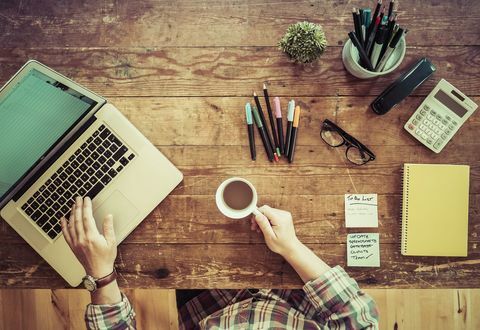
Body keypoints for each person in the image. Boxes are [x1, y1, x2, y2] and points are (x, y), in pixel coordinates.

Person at [61, 197, 379, 329]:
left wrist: (100, 274)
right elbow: (358, 319)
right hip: (295, 294)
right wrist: (292, 248)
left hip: (206, 305)